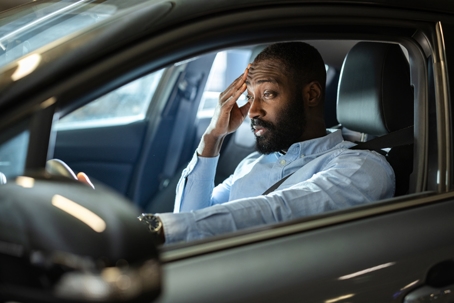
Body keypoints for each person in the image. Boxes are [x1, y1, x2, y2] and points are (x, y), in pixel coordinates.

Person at [81, 42, 395, 245]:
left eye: (268, 94)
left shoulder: (362, 168)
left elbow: (278, 211)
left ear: (311, 95)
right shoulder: (253, 164)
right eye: (249, 97)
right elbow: (191, 219)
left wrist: (141, 229)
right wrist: (213, 137)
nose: (253, 111)